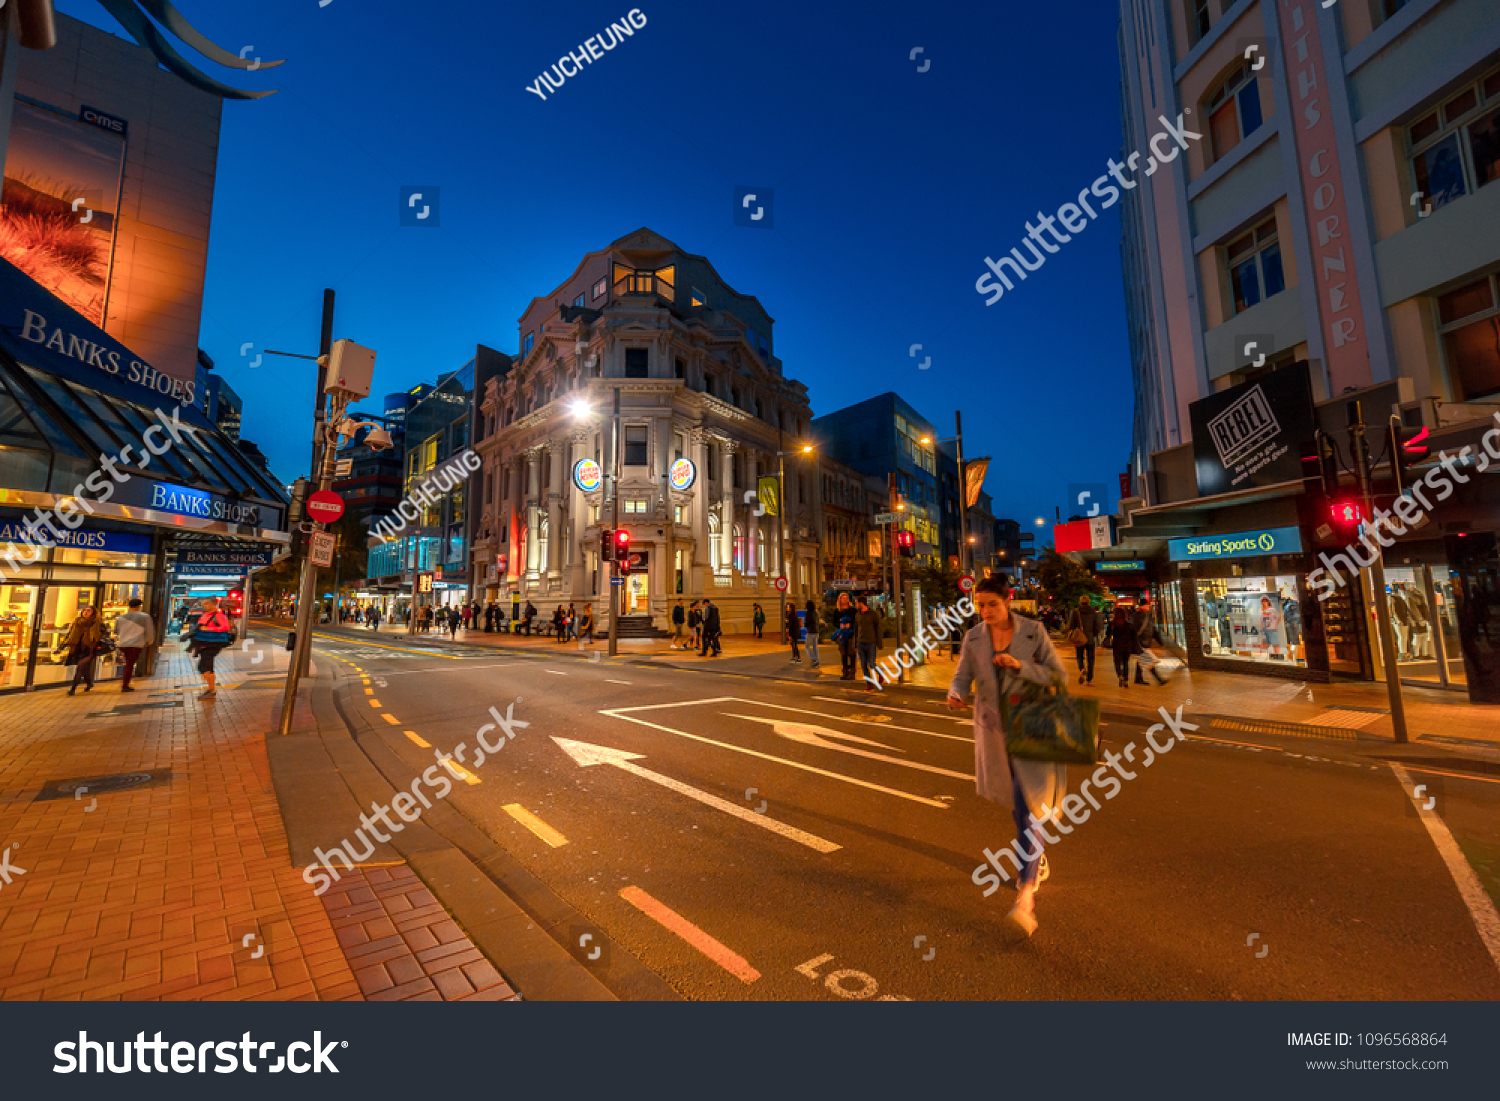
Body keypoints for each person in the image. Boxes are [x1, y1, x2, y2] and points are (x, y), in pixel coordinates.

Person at [947, 576, 1067, 937]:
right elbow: (962, 676)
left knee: (1030, 808)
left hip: (1033, 724)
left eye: (992, 605)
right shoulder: (974, 637)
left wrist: (1019, 666)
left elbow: (1058, 675)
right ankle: (1036, 858)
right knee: (1019, 808)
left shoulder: (1033, 632)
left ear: (1008, 600)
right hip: (995, 732)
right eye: (979, 605)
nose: (985, 612)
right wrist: (955, 694)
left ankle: (1026, 893)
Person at [188, 596, 234, 699]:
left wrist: (208, 629)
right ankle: (211, 689)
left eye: (208, 603)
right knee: (204, 667)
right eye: (204, 603)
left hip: (213, 644)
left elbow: (225, 627)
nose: (205, 605)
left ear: (215, 604)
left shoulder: (218, 615)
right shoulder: (205, 615)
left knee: (205, 666)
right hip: (204, 643)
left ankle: (211, 690)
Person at [115, 597, 155, 693]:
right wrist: (150, 641)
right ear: (139, 606)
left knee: (128, 663)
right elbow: (149, 630)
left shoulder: (120, 618)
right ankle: (125, 685)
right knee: (130, 664)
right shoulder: (145, 617)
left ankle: (125, 683)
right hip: (136, 644)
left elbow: (116, 631)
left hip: (123, 643)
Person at [62, 605, 104, 695]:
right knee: (84, 669)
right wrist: (61, 647)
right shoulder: (77, 622)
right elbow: (70, 635)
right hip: (78, 649)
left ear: (93, 612)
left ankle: (72, 689)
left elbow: (103, 636)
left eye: (88, 611)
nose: (85, 612)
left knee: (80, 667)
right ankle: (89, 683)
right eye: (84, 610)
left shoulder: (97, 623)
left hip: (90, 650)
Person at [1066, 595, 1105, 685]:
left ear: (1080, 602)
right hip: (1090, 638)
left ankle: (1082, 669)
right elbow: (1097, 626)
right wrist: (1093, 634)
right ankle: (1089, 680)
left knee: (1079, 656)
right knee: (1091, 659)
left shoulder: (1075, 612)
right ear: (1088, 602)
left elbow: (1070, 626)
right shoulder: (1093, 612)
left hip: (1079, 638)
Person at [1131, 600, 1167, 685]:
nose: (1149, 607)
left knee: (1142, 660)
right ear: (1142, 606)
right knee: (1150, 660)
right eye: (1147, 605)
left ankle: (1138, 678)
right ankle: (1159, 679)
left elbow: (1153, 630)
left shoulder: (1148, 616)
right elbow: (1133, 630)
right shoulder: (1136, 616)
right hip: (1140, 642)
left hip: (1145, 642)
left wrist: (1160, 642)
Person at [854, 595, 883, 689]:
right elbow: (856, 630)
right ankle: (869, 683)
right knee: (863, 665)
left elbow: (878, 629)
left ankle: (880, 673)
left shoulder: (872, 614)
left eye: (856, 603)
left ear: (861, 603)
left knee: (871, 663)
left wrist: (879, 643)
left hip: (871, 642)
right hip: (860, 642)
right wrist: (855, 643)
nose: (856, 605)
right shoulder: (858, 615)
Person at [1106, 606, 1140, 687]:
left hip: (1117, 646)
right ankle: (1126, 680)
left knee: (1117, 662)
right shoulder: (1129, 625)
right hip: (1127, 646)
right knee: (1125, 663)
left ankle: (1120, 675)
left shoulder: (1112, 624)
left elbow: (1107, 634)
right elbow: (1134, 637)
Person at [832, 592, 857, 680]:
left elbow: (855, 621)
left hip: (850, 634)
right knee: (843, 653)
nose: (845, 599)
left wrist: (849, 625)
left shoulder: (852, 610)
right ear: (840, 600)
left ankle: (852, 672)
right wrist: (840, 625)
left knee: (851, 653)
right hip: (842, 634)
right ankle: (845, 671)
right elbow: (834, 622)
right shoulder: (837, 611)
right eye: (843, 598)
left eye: (846, 598)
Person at [803, 599, 821, 669]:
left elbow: (807, 623)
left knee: (807, 646)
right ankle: (817, 660)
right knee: (815, 647)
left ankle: (814, 658)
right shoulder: (816, 613)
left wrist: (805, 625)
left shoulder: (808, 613)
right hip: (816, 631)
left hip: (811, 632)